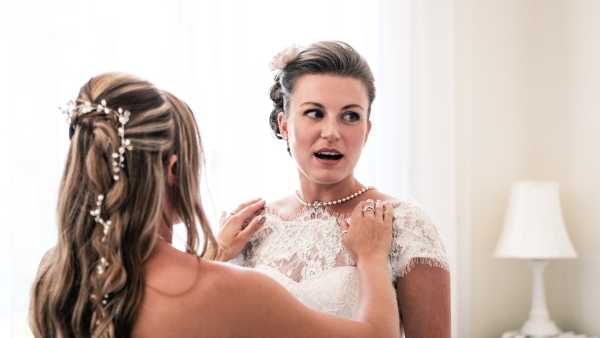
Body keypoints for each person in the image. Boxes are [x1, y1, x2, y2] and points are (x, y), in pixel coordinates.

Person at [28, 73, 400, 338]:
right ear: (173, 170)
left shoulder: (57, 274)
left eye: (350, 115)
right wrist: (370, 257)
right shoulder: (232, 290)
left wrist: (210, 257)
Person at [216, 41, 452, 338]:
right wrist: (212, 258)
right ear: (283, 124)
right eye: (315, 113)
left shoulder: (405, 224)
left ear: (367, 130)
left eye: (350, 116)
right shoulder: (253, 228)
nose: (332, 132)